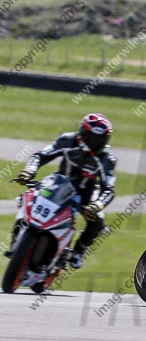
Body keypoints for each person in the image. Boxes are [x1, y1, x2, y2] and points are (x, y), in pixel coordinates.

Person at [16, 113, 116, 269]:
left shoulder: (107, 159)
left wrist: (97, 205)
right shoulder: (67, 140)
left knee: (98, 222)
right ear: (83, 133)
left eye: (102, 139)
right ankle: (18, 234)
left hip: (86, 192)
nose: (98, 143)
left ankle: (79, 251)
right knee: (26, 197)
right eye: (93, 138)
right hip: (58, 182)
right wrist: (29, 171)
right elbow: (41, 155)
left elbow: (109, 189)